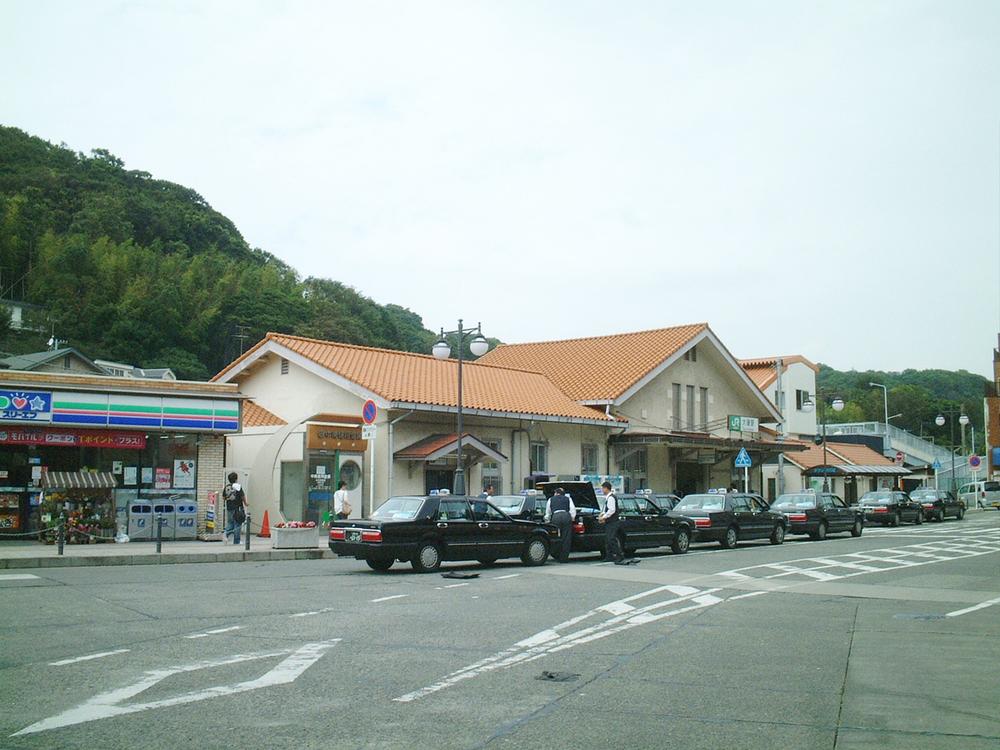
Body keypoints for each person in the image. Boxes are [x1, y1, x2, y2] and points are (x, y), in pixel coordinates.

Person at [544, 487, 576, 563]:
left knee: (556, 537)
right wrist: (572, 518)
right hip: (566, 516)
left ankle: (556, 554)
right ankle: (564, 558)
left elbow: (548, 512)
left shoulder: (551, 499)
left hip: (556, 517)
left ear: (556, 493)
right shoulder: (568, 499)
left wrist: (547, 521)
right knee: (566, 538)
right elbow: (572, 510)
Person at [597, 481, 625, 564]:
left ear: (606, 488)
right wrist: (602, 514)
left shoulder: (611, 498)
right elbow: (607, 509)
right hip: (609, 522)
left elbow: (612, 510)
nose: (602, 490)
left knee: (611, 539)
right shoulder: (608, 498)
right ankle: (609, 556)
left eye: (602, 488)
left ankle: (619, 555)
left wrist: (604, 517)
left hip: (613, 522)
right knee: (607, 539)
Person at [223, 472, 247, 545]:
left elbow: (223, 497)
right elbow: (242, 496)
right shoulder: (238, 486)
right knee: (238, 524)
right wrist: (245, 503)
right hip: (238, 508)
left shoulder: (227, 487)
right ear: (236, 479)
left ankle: (225, 534)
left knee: (230, 523)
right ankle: (236, 541)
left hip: (229, 507)